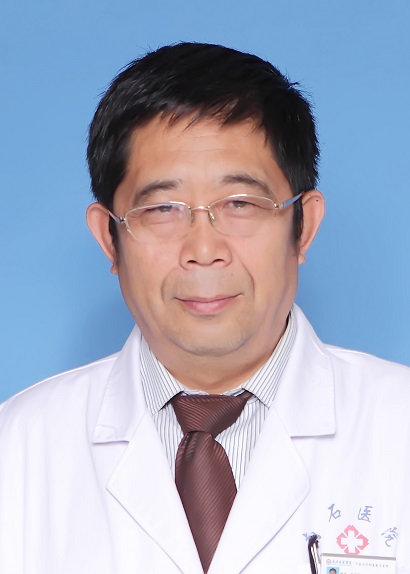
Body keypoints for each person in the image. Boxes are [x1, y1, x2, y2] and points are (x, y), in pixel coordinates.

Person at [0, 42, 409, 574]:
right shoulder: (17, 448)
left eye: (240, 203)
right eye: (162, 209)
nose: (203, 248)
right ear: (108, 239)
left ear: (303, 226)